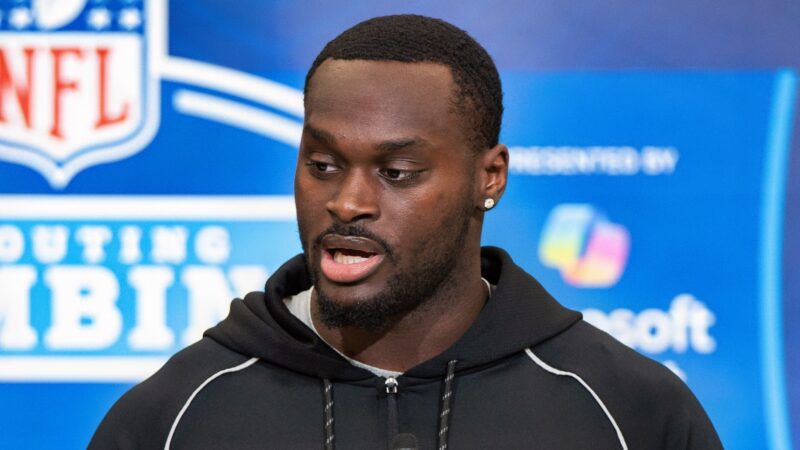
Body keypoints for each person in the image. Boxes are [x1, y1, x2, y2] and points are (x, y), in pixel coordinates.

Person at [91, 14, 722, 449]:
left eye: (397, 173)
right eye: (322, 165)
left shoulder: (628, 411)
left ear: (489, 177)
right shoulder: (174, 416)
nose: (348, 203)